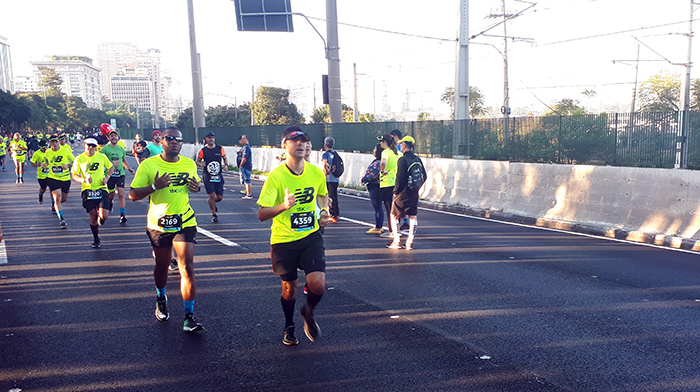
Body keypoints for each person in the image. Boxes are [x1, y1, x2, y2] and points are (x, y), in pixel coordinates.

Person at [257, 126, 330, 346]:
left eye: (305, 140)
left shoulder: (316, 172)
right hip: (284, 241)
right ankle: (289, 325)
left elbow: (323, 195)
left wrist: (324, 211)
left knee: (317, 283)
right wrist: (283, 206)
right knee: (290, 289)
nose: (301, 144)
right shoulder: (276, 177)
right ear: (284, 145)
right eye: (295, 140)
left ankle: (308, 311)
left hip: (310, 236)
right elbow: (261, 214)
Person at [128, 127, 204, 333]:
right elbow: (133, 195)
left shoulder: (189, 164)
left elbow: (194, 185)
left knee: (186, 266)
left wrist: (197, 187)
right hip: (158, 224)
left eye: (178, 139)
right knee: (161, 266)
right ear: (161, 141)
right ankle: (161, 297)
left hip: (185, 220)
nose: (174, 142)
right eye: (169, 138)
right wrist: (155, 186)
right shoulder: (149, 165)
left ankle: (189, 317)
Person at [71, 138, 114, 248]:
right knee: (93, 216)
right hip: (87, 190)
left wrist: (107, 178)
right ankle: (96, 238)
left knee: (104, 216)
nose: (91, 148)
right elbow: (74, 175)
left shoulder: (101, 157)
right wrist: (83, 180)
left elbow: (111, 167)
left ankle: (104, 211)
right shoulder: (79, 158)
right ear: (84, 145)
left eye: (93, 146)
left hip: (101, 188)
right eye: (89, 145)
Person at [387, 136, 427, 250]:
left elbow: (400, 178)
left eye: (401, 144)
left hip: (402, 193)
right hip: (413, 192)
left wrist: (395, 192)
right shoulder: (417, 159)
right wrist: (416, 187)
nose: (400, 145)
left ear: (404, 145)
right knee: (412, 216)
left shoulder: (402, 160)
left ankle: (397, 241)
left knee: (394, 215)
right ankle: (410, 242)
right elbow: (424, 176)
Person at [101, 128, 135, 224]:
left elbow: (123, 160)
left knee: (121, 194)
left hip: (120, 174)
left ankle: (122, 215)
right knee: (111, 194)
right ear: (108, 138)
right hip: (109, 175)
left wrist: (129, 168)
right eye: (111, 136)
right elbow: (101, 161)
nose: (114, 137)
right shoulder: (105, 149)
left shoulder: (121, 149)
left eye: (115, 136)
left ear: (118, 138)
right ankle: (110, 202)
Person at [44, 134, 76, 228]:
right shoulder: (48, 152)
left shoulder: (65, 151)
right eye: (51, 142)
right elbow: (46, 162)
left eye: (55, 141)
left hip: (65, 178)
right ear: (49, 143)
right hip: (53, 178)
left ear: (58, 142)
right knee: (57, 197)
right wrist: (44, 165)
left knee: (64, 199)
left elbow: (74, 161)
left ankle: (56, 205)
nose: (54, 143)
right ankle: (61, 219)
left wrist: (68, 166)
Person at [196, 131, 228, 222]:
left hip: (218, 175)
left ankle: (212, 203)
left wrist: (226, 165)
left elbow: (225, 157)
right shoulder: (203, 151)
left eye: (213, 137)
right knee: (211, 196)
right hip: (208, 176)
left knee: (219, 197)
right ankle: (214, 214)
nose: (211, 139)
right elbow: (198, 161)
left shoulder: (220, 148)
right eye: (209, 137)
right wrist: (200, 164)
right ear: (206, 139)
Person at [377, 134, 400, 238]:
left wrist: (382, 171)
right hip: (396, 182)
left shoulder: (385, 152)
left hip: (386, 183)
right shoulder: (398, 153)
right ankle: (397, 228)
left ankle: (392, 230)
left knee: (389, 208)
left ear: (385, 142)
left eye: (381, 141)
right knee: (395, 207)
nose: (380, 143)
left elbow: (383, 162)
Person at [389, 129, 410, 233]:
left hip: (399, 176)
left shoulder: (397, 148)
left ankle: (398, 227)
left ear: (395, 136)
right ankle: (406, 221)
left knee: (398, 203)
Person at [361, 144, 384, 234]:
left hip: (375, 186)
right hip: (374, 186)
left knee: (377, 207)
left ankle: (378, 227)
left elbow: (373, 174)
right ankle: (379, 226)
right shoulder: (376, 161)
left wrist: (364, 179)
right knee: (378, 207)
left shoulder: (378, 162)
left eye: (375, 149)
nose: (373, 150)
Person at [321, 137, 340, 222]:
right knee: (335, 196)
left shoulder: (326, 154)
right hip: (336, 178)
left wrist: (326, 172)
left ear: (325, 145)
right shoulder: (335, 153)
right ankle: (336, 213)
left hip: (329, 179)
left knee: (330, 197)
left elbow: (325, 164)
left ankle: (333, 214)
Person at [30, 139, 50, 205]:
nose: (45, 149)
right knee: (43, 189)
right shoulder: (37, 153)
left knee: (53, 190)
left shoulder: (50, 152)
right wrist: (38, 165)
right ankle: (40, 195)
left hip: (51, 174)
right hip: (42, 175)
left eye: (46, 147)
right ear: (40, 147)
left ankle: (55, 205)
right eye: (43, 148)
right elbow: (32, 163)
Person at [237, 134, 253, 199]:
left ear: (247, 140)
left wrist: (241, 164)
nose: (242, 140)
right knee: (244, 179)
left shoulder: (246, 147)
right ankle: (246, 191)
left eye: (243, 139)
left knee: (247, 180)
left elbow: (245, 157)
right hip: (244, 166)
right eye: (241, 139)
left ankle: (249, 195)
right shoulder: (244, 147)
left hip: (246, 166)